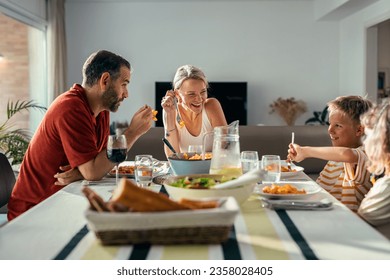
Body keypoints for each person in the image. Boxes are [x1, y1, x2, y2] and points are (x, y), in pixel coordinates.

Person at [8, 50, 154, 221]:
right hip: (35, 211)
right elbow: (93, 171)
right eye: (124, 84)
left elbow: (98, 162)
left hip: (64, 198)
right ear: (105, 80)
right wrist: (132, 133)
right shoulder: (71, 108)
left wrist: (81, 172)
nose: (126, 93)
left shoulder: (100, 110)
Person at [287, 95, 373, 212]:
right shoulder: (335, 156)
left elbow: (347, 155)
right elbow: (320, 189)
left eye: (338, 126)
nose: (330, 130)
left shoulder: (367, 154)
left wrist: (305, 151)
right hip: (322, 211)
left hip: (347, 221)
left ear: (359, 130)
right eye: (330, 124)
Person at [161, 65, 227, 157]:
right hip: (186, 169)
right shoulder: (171, 112)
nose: (199, 99)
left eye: (203, 92)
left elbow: (225, 147)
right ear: (177, 94)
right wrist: (169, 114)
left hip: (213, 168)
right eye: (191, 94)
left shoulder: (211, 105)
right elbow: (173, 156)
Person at [358, 100, 390, 239]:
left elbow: (354, 226)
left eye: (368, 135)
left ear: (381, 140)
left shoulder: (386, 188)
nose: (364, 142)